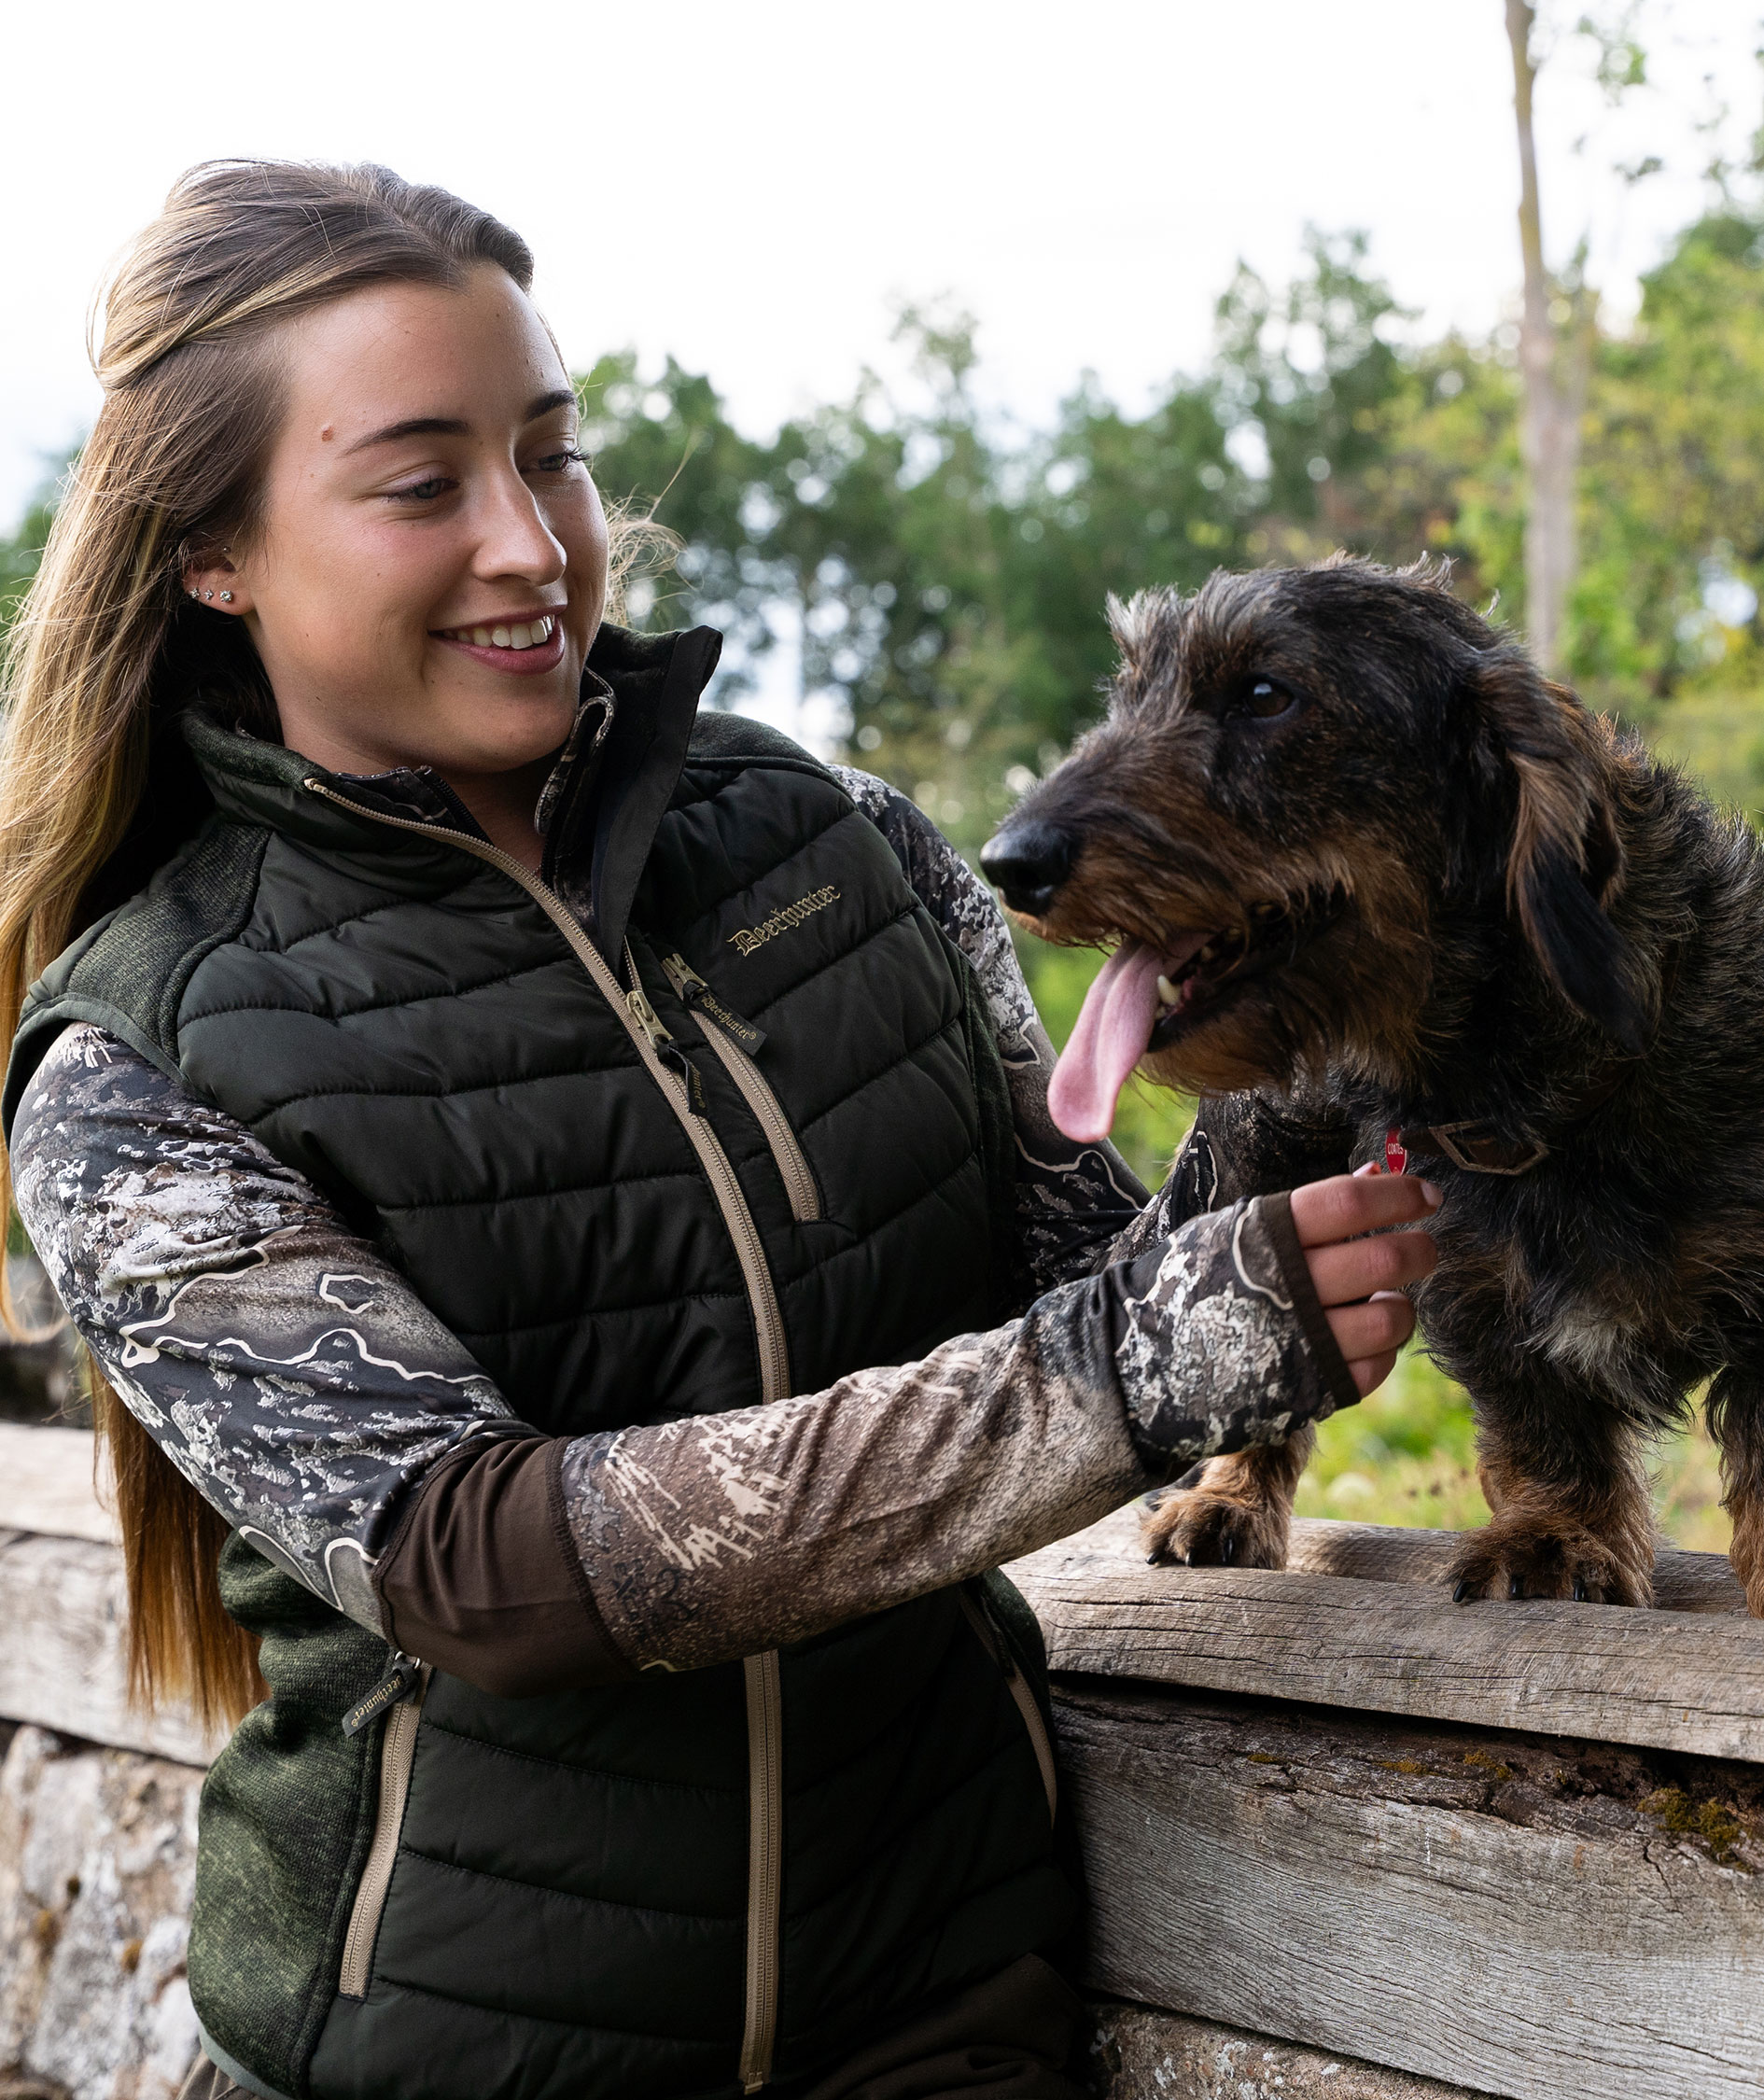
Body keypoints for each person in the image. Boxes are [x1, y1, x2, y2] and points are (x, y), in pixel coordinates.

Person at [0, 161, 1436, 2100]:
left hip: (951, 2008)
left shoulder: (844, 850)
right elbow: (482, 1562)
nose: (532, 545)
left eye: (553, 455)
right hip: (450, 2060)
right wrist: (1132, 1363)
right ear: (212, 554)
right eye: (423, 483)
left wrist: (1316, 1052)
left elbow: (1090, 1270)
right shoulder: (139, 1063)